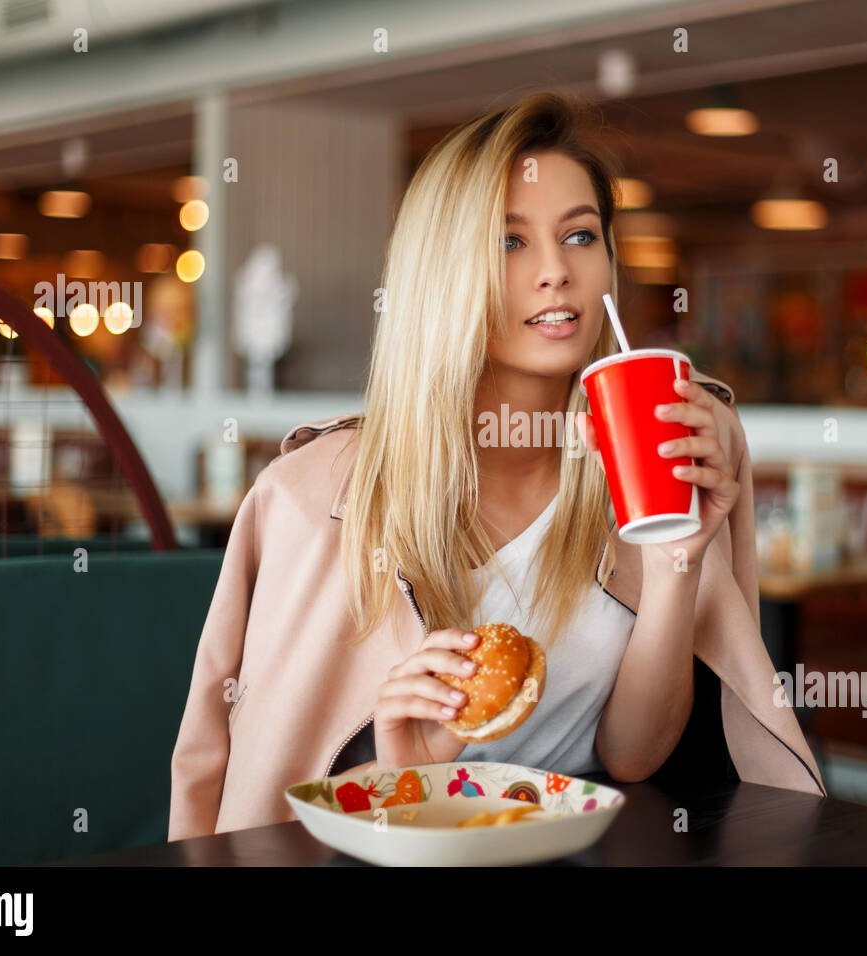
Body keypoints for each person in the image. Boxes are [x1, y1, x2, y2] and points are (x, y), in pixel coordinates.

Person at [168, 90, 824, 842]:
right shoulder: (314, 498)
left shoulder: (651, 455)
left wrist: (677, 561)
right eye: (510, 243)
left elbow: (633, 756)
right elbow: (249, 781)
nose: (556, 271)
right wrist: (405, 772)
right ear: (442, 272)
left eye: (581, 236)